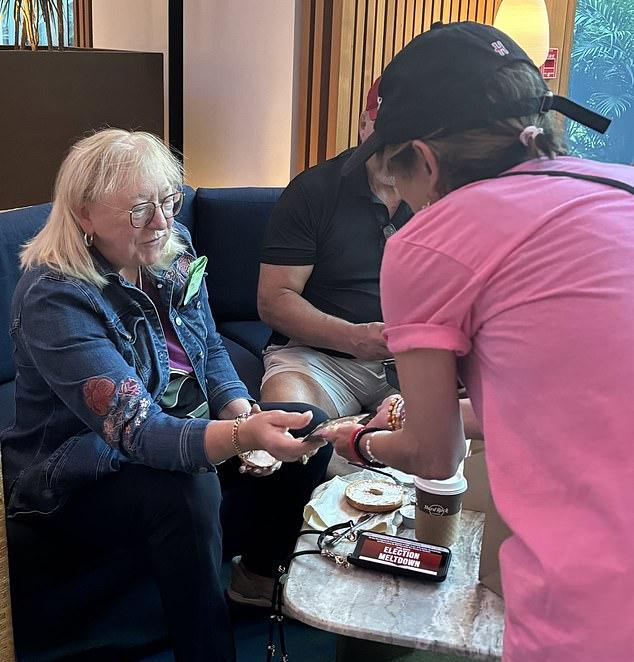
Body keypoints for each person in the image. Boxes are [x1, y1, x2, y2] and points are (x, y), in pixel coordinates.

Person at [321, 21, 634, 662]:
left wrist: (356, 441)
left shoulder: (426, 242)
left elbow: (434, 457)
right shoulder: (621, 185)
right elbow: (577, 405)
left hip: (600, 601)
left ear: (426, 160)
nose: (405, 206)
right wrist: (422, 417)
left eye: (398, 182)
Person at [0, 128, 331, 662]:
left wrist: (239, 408)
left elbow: (210, 349)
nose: (161, 222)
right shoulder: (54, 298)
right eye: (139, 210)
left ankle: (254, 576)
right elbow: (138, 431)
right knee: (186, 489)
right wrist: (240, 435)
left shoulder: (171, 246)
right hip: (75, 474)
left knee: (307, 423)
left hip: (168, 426)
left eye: (168, 200)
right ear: (85, 215)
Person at [257, 77, 411, 418]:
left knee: (441, 427)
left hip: (410, 361)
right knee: (291, 419)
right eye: (385, 135)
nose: (393, 152)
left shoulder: (440, 197)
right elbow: (273, 300)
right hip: (317, 358)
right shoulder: (312, 192)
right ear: (363, 124)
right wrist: (354, 337)